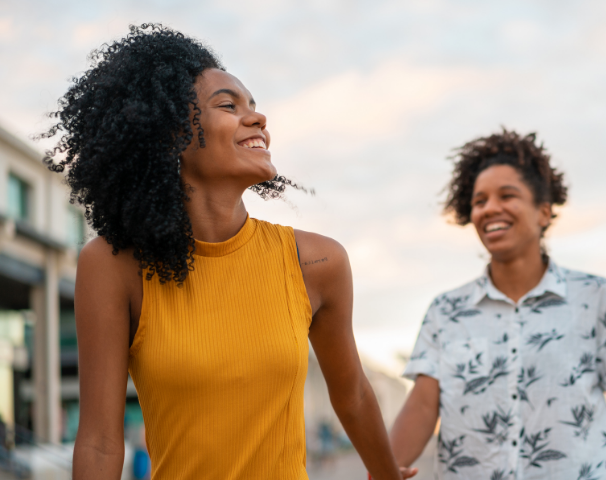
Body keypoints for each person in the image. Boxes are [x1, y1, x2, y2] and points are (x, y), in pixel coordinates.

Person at [42, 24, 413, 480]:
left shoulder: (317, 262)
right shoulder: (113, 265)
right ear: (171, 134)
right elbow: (99, 442)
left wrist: (387, 474)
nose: (257, 119)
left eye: (254, 107)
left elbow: (352, 393)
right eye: (228, 105)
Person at [390, 129, 606, 480]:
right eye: (480, 201)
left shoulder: (598, 298)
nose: (490, 208)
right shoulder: (446, 311)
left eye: (507, 195)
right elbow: (424, 404)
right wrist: (381, 471)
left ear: (543, 212)